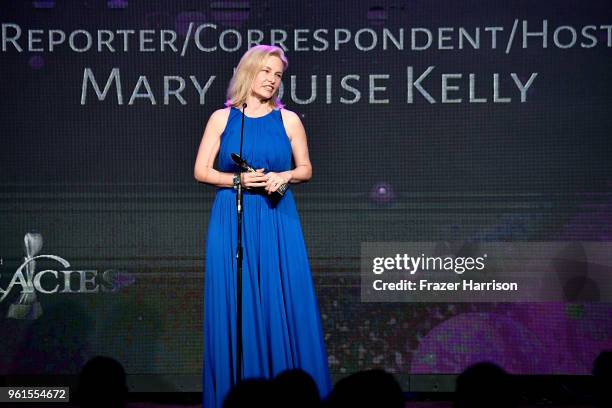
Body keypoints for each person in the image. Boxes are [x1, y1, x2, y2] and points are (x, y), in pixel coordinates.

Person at [194, 45, 332, 408]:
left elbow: (305, 169)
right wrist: (239, 181)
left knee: (280, 300)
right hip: (232, 219)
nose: (272, 80)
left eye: (278, 75)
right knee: (236, 302)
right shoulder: (222, 120)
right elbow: (201, 171)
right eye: (266, 72)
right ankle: (235, 396)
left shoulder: (289, 121)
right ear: (248, 72)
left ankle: (292, 397)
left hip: (276, 218)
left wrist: (281, 175)